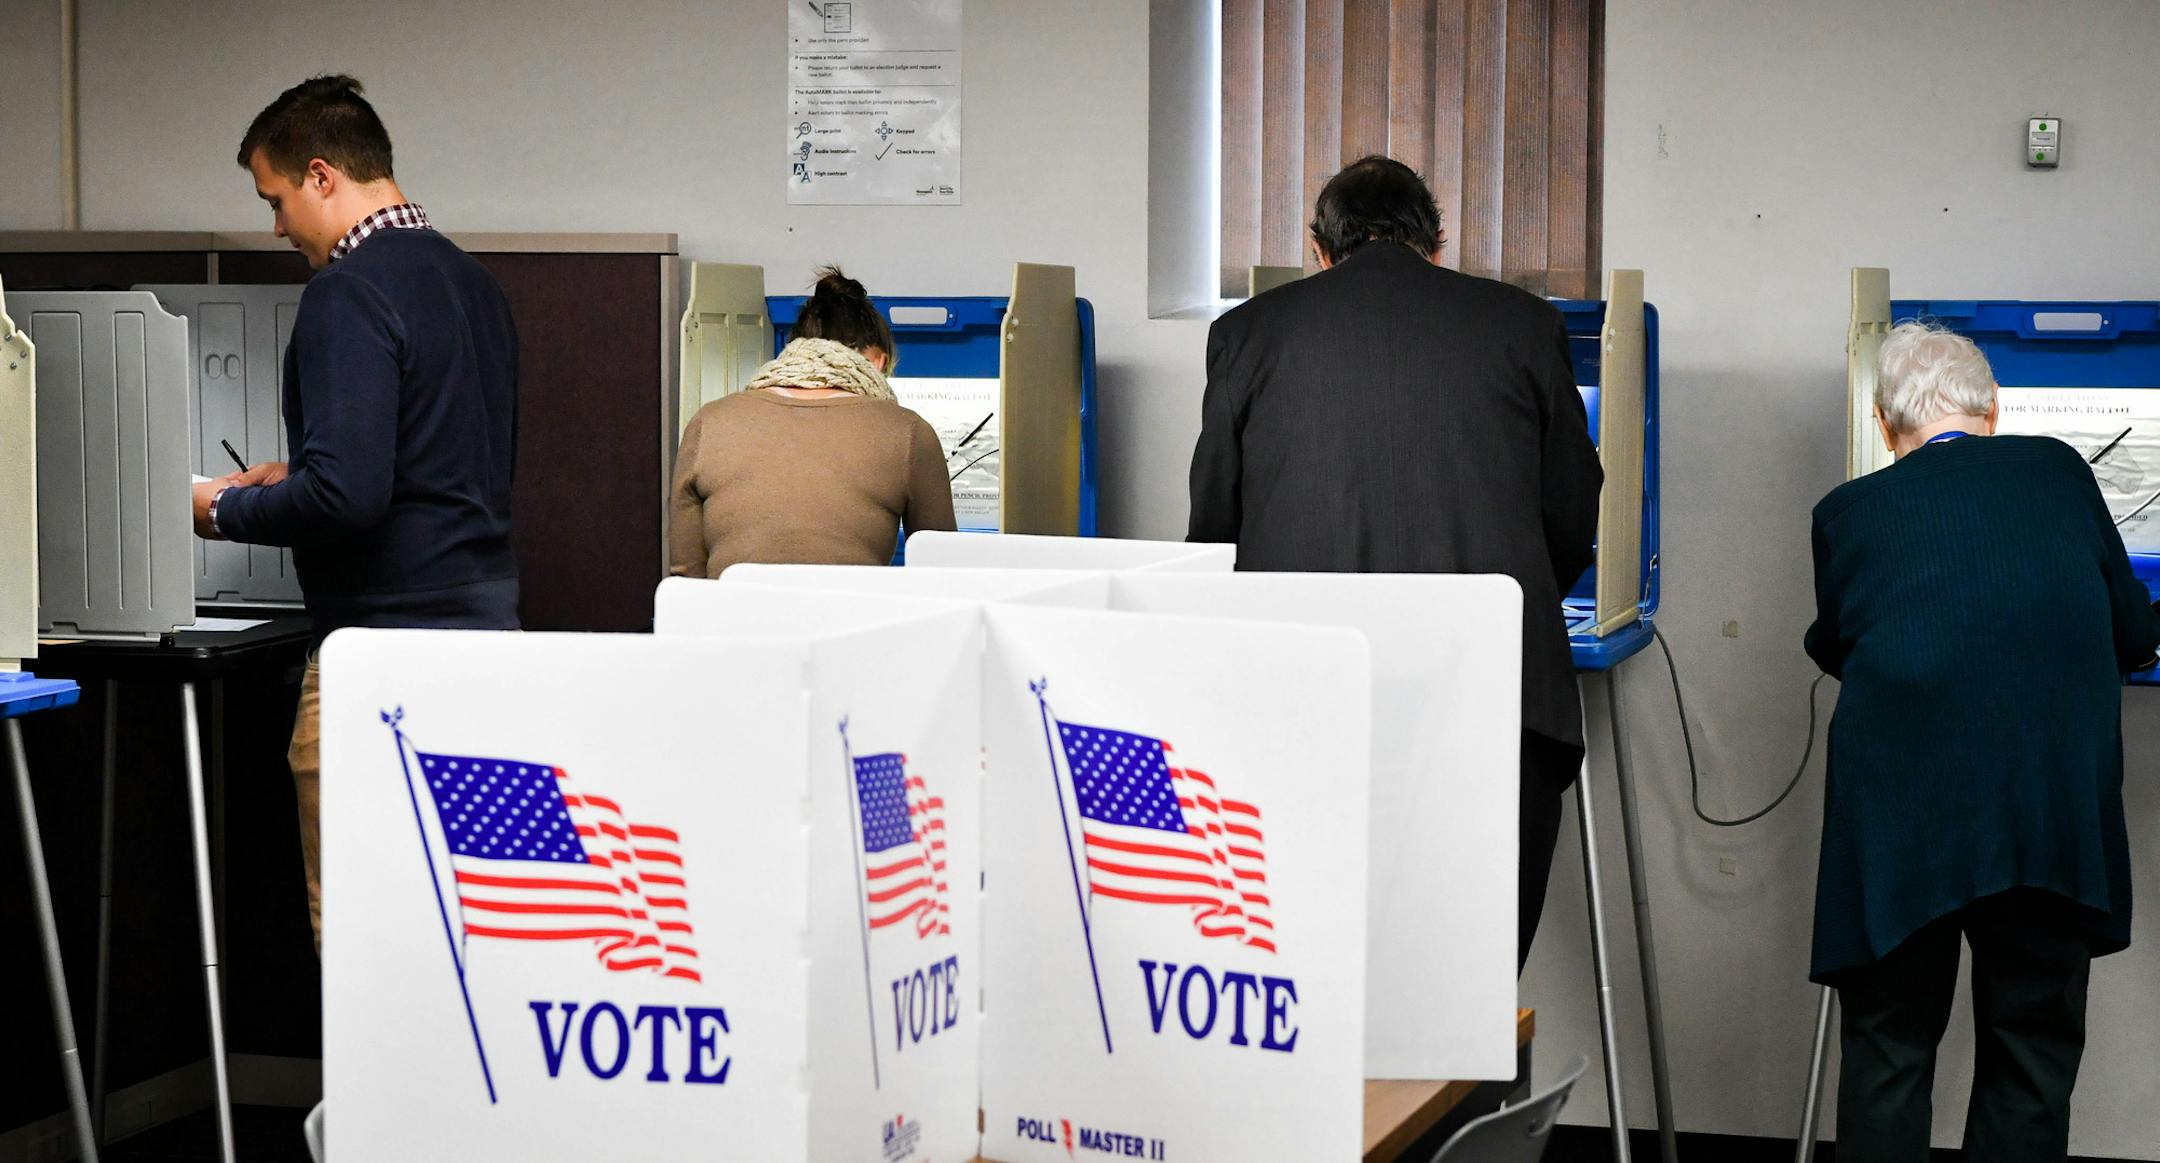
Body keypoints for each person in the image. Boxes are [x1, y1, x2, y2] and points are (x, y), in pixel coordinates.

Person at [1187, 155, 1603, 972]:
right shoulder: (1523, 325)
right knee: (1472, 981)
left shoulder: (1248, 335)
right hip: (1493, 699)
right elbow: (1571, 513)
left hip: (1304, 703)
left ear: (1317, 248)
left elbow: (1213, 531)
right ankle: (1470, 1100)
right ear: (1437, 244)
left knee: (1314, 973)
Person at [1804, 322, 2157, 1162]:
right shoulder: (2060, 472)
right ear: (1993, 409)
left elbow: (1840, 642)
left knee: (1890, 1051)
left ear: (1887, 426)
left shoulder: (1846, 512)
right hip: (2045, 817)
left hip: (1901, 830)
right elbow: (2136, 637)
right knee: (2031, 1054)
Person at [189, 75, 521, 950]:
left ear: (324, 175)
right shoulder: (472, 283)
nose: (276, 226)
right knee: (473, 939)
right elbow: (436, 463)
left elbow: (348, 497)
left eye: (276, 198)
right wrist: (296, 472)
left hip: (379, 666)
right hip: (493, 658)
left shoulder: (346, 292)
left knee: (370, 952)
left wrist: (220, 508)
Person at [669, 267, 956, 577]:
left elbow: (686, 578)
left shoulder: (709, 422)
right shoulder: (908, 432)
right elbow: (941, 574)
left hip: (731, 622)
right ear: (877, 362)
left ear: (793, 349)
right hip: (852, 622)